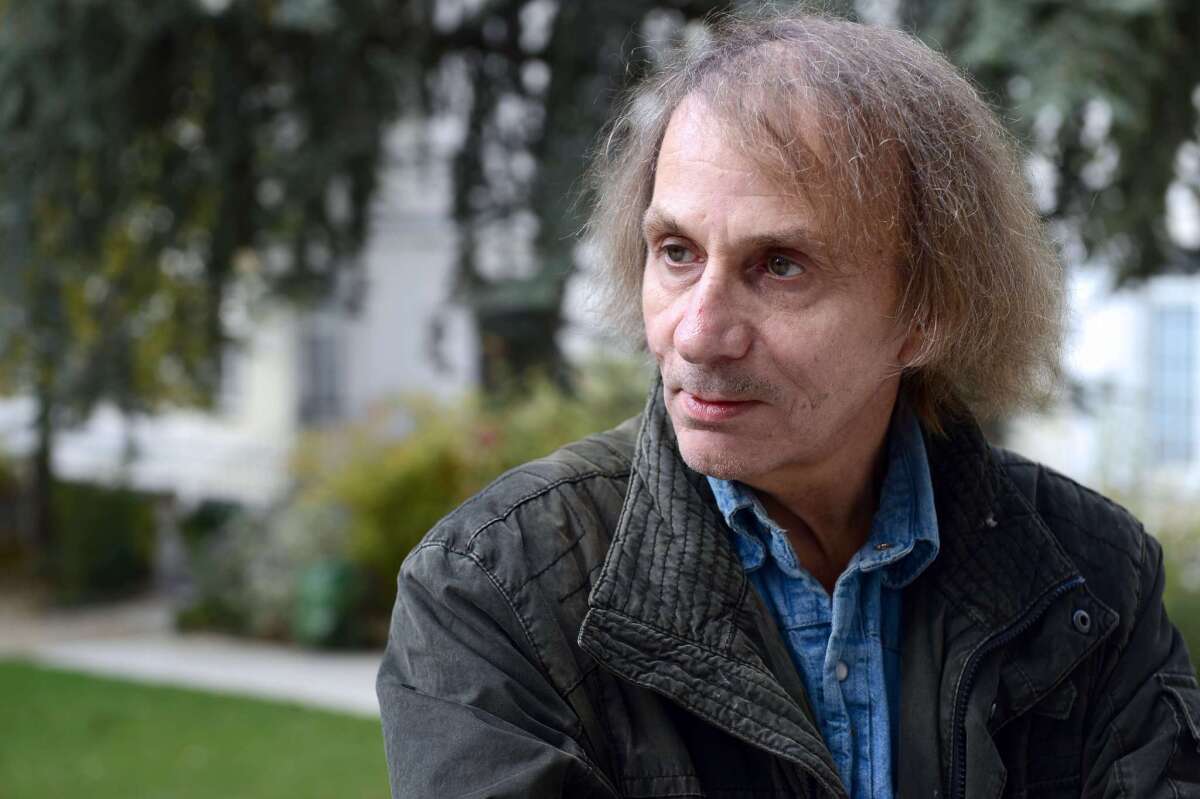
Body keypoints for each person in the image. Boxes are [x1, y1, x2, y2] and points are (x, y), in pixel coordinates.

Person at [376, 9, 1200, 798]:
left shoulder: (1094, 575)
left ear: (926, 311)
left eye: (779, 266)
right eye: (676, 252)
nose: (697, 334)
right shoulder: (494, 587)